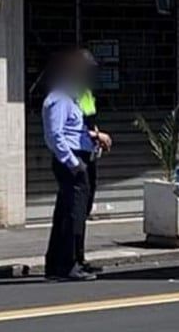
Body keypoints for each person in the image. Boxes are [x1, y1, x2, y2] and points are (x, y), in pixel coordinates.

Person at [42, 48, 110, 281]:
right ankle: (65, 265)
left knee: (77, 212)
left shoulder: (77, 96)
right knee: (71, 214)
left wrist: (95, 137)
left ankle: (74, 260)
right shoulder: (59, 98)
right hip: (71, 160)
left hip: (83, 156)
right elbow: (54, 135)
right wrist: (73, 163)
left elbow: (77, 128)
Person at [74, 49, 111, 273]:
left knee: (85, 206)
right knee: (76, 209)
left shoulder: (86, 92)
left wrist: (96, 136)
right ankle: (74, 259)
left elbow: (89, 120)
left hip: (89, 152)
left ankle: (80, 257)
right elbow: (71, 129)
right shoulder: (70, 93)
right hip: (76, 153)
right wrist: (97, 135)